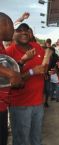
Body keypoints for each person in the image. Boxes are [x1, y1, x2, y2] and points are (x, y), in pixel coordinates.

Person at [6, 23, 45, 145]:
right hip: (20, 105)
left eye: (26, 30)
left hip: (38, 103)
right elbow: (9, 83)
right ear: (14, 33)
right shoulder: (9, 52)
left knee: (36, 139)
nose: (24, 32)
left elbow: (43, 66)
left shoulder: (37, 47)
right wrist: (32, 72)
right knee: (21, 141)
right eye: (20, 30)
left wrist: (47, 70)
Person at [0, 12, 23, 145]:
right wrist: (11, 73)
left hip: (3, 104)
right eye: (12, 27)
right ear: (4, 24)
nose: (13, 31)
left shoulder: (2, 46)